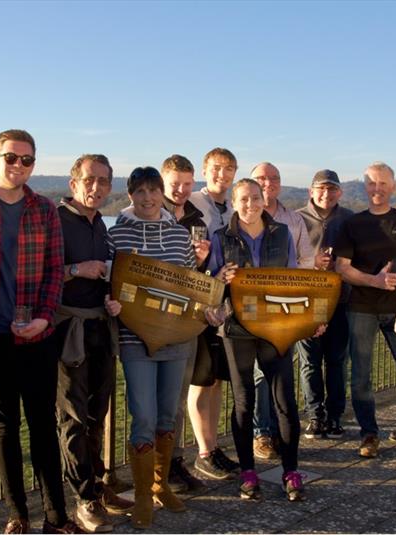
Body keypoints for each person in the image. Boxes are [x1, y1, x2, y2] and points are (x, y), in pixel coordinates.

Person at [0, 129, 77, 534]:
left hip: (37, 335)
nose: (17, 165)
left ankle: (56, 518)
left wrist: (45, 315)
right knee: (4, 430)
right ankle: (17, 514)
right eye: (10, 157)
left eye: (26, 159)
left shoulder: (44, 208)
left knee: (42, 426)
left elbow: (56, 269)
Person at [106, 166, 201, 529]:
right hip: (134, 340)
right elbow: (111, 285)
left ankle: (161, 486)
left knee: (167, 416)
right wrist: (111, 303)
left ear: (162, 193)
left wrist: (207, 308)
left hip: (176, 338)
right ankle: (142, 495)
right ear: (130, 194)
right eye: (139, 191)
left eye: (153, 191)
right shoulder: (116, 235)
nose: (147, 198)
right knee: (143, 416)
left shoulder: (179, 236)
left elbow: (192, 285)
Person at [208, 178, 314, 502]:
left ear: (263, 198)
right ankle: (248, 473)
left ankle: (291, 472)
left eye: (255, 197)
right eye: (244, 199)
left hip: (275, 329)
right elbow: (210, 287)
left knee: (285, 401)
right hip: (237, 329)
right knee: (243, 403)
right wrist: (219, 278)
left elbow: (294, 278)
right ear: (235, 202)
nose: (251, 204)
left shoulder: (281, 233)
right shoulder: (219, 238)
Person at [334, 162, 396, 469]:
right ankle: (369, 435)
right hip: (361, 309)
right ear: (364, 187)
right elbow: (342, 267)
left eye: (382, 183)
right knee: (361, 377)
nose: (376, 189)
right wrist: (374, 281)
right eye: (371, 184)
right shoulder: (353, 224)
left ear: (393, 186)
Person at [54, 154, 132, 533]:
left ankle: (98, 487)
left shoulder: (101, 224)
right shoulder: (56, 221)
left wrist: (110, 297)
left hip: (101, 328)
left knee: (97, 414)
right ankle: (84, 499)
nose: (96, 187)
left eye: (103, 181)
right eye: (90, 180)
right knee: (72, 419)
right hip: (68, 332)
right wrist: (75, 270)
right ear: (74, 183)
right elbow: (38, 274)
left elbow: (104, 275)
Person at [247, 162, 313, 458]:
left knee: (281, 374)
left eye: (274, 178)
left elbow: (305, 262)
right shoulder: (242, 216)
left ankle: (280, 434)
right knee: (259, 374)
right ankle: (261, 434)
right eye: (262, 178)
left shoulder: (293, 220)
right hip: (251, 309)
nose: (268, 183)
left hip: (285, 306)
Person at [186, 148, 240, 480]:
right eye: (217, 168)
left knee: (216, 380)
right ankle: (203, 452)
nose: (223, 173)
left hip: (222, 305)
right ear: (206, 169)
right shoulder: (192, 204)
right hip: (197, 303)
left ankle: (213, 447)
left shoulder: (233, 207)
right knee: (199, 380)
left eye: (229, 168)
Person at [160, 154, 210, 492]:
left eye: (187, 185)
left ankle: (173, 462)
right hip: (155, 315)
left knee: (176, 395)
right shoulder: (149, 212)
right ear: (164, 180)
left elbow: (196, 271)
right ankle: (156, 467)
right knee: (153, 400)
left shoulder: (196, 216)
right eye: (175, 183)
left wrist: (202, 261)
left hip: (187, 314)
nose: (181, 190)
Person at [296, 170, 355, 440]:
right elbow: (289, 258)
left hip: (340, 301)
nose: (326, 194)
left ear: (339, 193)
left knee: (336, 361)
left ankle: (334, 416)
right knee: (309, 362)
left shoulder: (349, 220)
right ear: (311, 191)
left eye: (331, 190)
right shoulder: (297, 218)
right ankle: (315, 416)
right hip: (307, 302)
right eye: (320, 189)